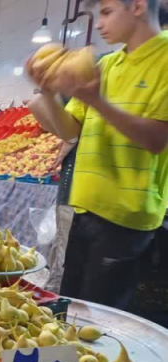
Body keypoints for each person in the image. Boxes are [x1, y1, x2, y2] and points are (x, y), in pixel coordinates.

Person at [26, 0, 168, 311]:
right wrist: (47, 92)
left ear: (138, 6)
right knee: (72, 309)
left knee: (101, 319)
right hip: (84, 207)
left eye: (106, 12)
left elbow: (156, 138)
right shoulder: (106, 65)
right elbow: (70, 130)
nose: (99, 23)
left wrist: (97, 101)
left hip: (126, 217)